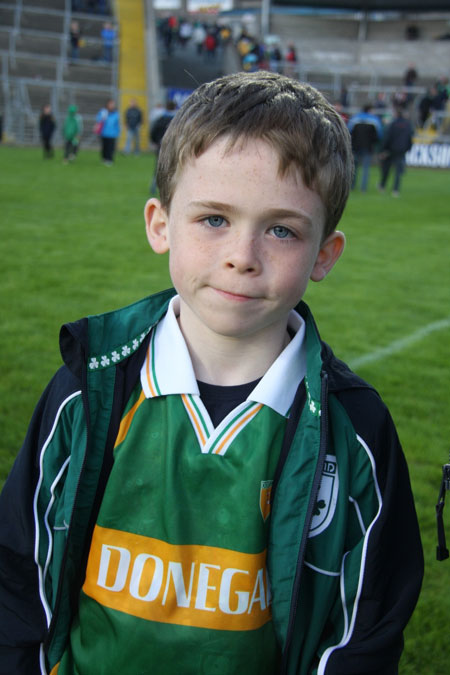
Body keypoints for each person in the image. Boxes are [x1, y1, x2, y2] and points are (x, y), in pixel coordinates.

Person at [0, 72, 423, 675]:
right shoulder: (88, 388)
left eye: (281, 230)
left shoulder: (354, 429)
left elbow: (366, 628)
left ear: (324, 254)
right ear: (160, 224)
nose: (242, 257)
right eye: (214, 220)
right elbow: (20, 572)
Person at [378, 105, 414, 197]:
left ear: (396, 114)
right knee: (398, 172)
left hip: (390, 150)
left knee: (386, 169)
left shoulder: (392, 124)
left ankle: (382, 186)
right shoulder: (408, 125)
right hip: (401, 150)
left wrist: (383, 150)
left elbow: (387, 137)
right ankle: (395, 190)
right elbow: (410, 138)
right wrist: (408, 148)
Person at [347, 103, 383, 192]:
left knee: (354, 168)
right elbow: (379, 135)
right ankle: (363, 188)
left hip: (355, 146)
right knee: (365, 169)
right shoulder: (374, 120)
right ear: (370, 110)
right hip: (368, 147)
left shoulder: (355, 118)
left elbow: (348, 131)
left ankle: (352, 186)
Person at [149, 99, 176, 193]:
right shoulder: (177, 120)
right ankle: (169, 190)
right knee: (173, 168)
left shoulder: (160, 119)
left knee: (158, 167)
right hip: (173, 146)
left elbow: (153, 131)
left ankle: (153, 188)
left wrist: (155, 141)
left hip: (160, 146)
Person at [96, 98, 120, 165]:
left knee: (111, 148)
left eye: (113, 104)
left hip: (112, 133)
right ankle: (104, 158)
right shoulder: (103, 112)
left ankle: (110, 159)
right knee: (104, 147)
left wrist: (117, 132)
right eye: (110, 104)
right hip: (104, 132)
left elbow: (117, 123)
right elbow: (99, 120)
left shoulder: (116, 113)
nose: (112, 105)